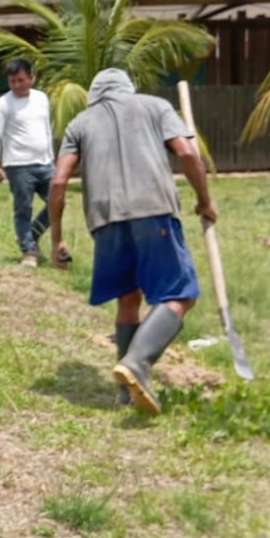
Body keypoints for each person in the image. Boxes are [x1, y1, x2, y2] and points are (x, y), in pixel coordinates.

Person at [48, 68, 218, 414]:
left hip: (104, 219)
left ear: (94, 94)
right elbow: (187, 154)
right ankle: (138, 361)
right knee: (181, 294)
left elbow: (58, 183)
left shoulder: (80, 123)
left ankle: (127, 391)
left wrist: (57, 239)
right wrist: (204, 200)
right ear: (129, 88)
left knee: (128, 298)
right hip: (152, 209)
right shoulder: (155, 106)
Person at [0, 58, 54, 268]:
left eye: (21, 80)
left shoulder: (42, 99)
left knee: (57, 203)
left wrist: (53, 158)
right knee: (23, 209)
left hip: (45, 163)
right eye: (12, 81)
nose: (17, 85)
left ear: (32, 79)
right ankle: (29, 251)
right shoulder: (3, 104)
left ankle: (30, 234)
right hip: (19, 165)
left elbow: (46, 130)